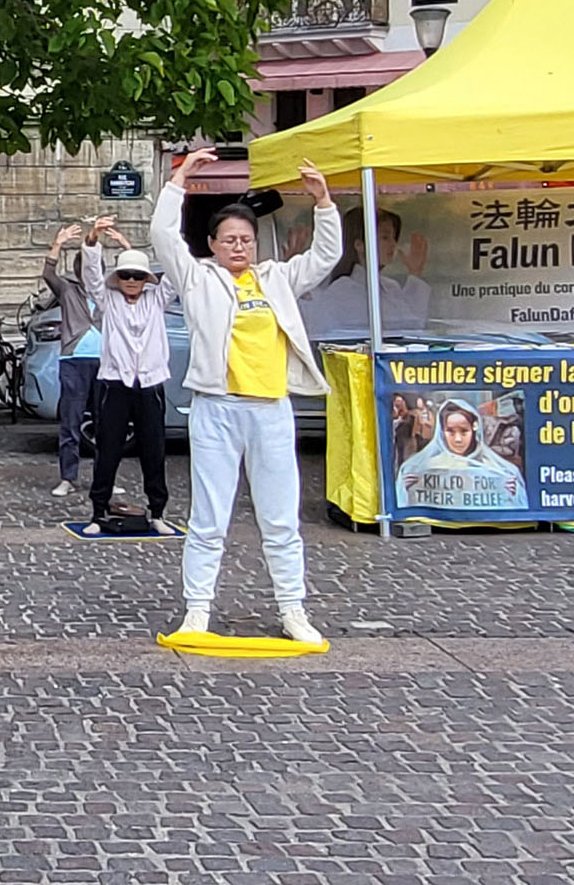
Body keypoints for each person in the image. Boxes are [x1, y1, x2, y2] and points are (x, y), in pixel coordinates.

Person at [151, 148, 341, 644]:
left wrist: (323, 202)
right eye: (229, 240)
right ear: (212, 244)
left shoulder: (276, 278)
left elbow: (325, 258)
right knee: (208, 517)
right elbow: (162, 237)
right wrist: (181, 181)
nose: (239, 247)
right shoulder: (198, 279)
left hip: (271, 408)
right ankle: (197, 610)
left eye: (246, 240)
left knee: (280, 517)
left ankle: (293, 610)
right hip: (217, 408)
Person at [81, 216, 174, 535]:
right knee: (108, 449)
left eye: (138, 276)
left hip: (149, 385)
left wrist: (146, 242)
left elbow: (176, 273)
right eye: (126, 275)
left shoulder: (158, 299)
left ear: (147, 279)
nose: (132, 281)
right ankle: (97, 512)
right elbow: (92, 276)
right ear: (118, 279)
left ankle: (158, 511)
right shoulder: (109, 300)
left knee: (154, 450)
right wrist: (93, 239)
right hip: (115, 383)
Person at [297, 207, 431, 341]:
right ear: (359, 245)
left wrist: (415, 272)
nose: (393, 244)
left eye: (393, 238)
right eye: (385, 237)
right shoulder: (342, 290)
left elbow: (415, 326)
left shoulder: (391, 287)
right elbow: (316, 325)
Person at [43, 221, 107, 497]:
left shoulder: (109, 293)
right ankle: (68, 477)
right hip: (74, 361)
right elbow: (48, 273)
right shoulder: (68, 291)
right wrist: (58, 244)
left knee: (107, 426)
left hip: (106, 362)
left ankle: (104, 478)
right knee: (71, 422)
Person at [395, 399, 527, 511]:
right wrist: (405, 489)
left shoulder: (498, 469)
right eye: (450, 432)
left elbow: (517, 507)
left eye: (464, 431)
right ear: (442, 433)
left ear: (474, 430)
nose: (458, 439)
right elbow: (402, 505)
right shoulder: (422, 467)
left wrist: (513, 494)